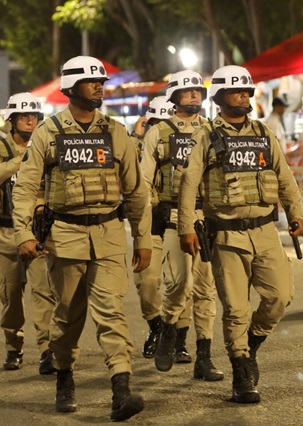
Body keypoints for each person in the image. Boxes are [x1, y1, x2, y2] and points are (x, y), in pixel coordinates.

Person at [12, 56, 152, 422]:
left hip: (108, 233)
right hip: (66, 234)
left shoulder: (116, 131)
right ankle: (64, 374)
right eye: (91, 82)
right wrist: (24, 233)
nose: (99, 87)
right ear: (72, 88)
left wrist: (143, 239)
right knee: (68, 315)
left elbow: (136, 190)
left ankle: (121, 388)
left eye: (100, 82)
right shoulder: (48, 132)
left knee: (111, 310)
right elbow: (26, 187)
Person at [178, 65, 303, 403]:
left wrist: (295, 212)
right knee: (235, 308)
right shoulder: (206, 136)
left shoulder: (263, 132)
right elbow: (190, 184)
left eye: (247, 90)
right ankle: (241, 372)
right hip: (227, 235)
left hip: (265, 230)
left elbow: (284, 174)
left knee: (280, 296)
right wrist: (186, 227)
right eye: (238, 91)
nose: (245, 95)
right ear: (220, 98)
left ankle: (251, 345)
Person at [139, 70, 223, 381]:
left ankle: (204, 356)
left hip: (206, 217)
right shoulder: (158, 132)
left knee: (205, 289)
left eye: (197, 91)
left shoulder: (212, 130)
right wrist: (144, 222)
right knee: (178, 284)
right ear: (174, 97)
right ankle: (168, 329)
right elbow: (144, 179)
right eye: (187, 92)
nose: (194, 96)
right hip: (172, 216)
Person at [0, 92, 56, 374]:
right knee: (10, 296)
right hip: (7, 232)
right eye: (24, 116)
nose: (30, 121)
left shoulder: (46, 146)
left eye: (34, 116)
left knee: (45, 294)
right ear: (12, 120)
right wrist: (18, 164)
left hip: (40, 231)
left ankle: (47, 351)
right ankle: (13, 347)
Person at [130, 95, 181, 359]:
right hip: (149, 223)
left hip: (177, 219)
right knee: (147, 282)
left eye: (164, 121)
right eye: (154, 122)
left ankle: (177, 339)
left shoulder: (189, 142)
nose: (159, 128)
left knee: (181, 282)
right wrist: (136, 136)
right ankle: (156, 326)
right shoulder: (137, 146)